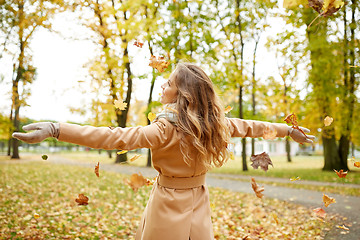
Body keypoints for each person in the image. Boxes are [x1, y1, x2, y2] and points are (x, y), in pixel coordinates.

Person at [12, 62, 315, 240]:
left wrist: (55, 128)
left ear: (180, 94)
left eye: (168, 83)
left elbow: (112, 137)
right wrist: (289, 130)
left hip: (168, 203)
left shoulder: (165, 129)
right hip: (198, 200)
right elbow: (251, 126)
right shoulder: (214, 123)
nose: (162, 86)